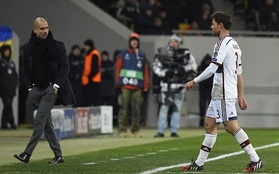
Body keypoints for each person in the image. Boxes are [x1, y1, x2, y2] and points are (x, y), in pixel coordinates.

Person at [182, 11, 263, 172]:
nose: (211, 26)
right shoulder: (235, 45)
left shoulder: (222, 44)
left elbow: (212, 69)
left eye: (213, 24)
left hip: (223, 92)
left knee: (230, 126)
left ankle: (256, 160)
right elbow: (239, 73)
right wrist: (240, 95)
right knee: (210, 124)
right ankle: (199, 163)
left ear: (221, 25)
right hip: (222, 92)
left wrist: (194, 81)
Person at [14, 17, 75, 164]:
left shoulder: (58, 46)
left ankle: (27, 154)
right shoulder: (28, 48)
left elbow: (65, 67)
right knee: (47, 125)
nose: (45, 31)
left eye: (46, 27)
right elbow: (26, 69)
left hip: (50, 89)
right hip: (36, 89)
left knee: (39, 121)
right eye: (41, 28)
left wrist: (56, 86)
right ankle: (58, 155)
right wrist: (29, 87)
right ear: (34, 30)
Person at [153, 34, 197, 138]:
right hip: (166, 85)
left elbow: (193, 65)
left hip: (179, 85)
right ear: (169, 42)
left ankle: (174, 130)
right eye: (172, 41)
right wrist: (165, 73)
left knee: (177, 108)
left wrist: (183, 69)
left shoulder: (185, 53)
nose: (174, 43)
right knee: (164, 108)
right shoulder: (162, 52)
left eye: (176, 42)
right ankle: (161, 131)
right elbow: (155, 67)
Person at [115, 33, 149, 137]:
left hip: (138, 86)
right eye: (132, 40)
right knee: (124, 108)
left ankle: (135, 130)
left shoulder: (142, 55)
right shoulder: (123, 54)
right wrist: (118, 83)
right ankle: (122, 130)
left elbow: (145, 71)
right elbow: (118, 69)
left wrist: (146, 85)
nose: (134, 42)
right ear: (129, 42)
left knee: (137, 109)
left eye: (136, 40)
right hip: (125, 86)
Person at [0, 45, 18, 129]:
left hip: (11, 90)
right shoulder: (1, 63)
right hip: (3, 90)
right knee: (8, 105)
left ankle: (4, 124)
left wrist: (15, 86)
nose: (7, 52)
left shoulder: (12, 63)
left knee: (7, 107)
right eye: (5, 51)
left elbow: (15, 76)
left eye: (8, 51)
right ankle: (12, 122)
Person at [80, 39, 102, 107]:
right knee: (87, 99)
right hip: (88, 80)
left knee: (93, 99)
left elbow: (95, 68)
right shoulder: (88, 54)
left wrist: (89, 77)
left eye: (85, 46)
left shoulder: (94, 54)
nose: (84, 48)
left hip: (93, 80)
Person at [197, 54, 213, 127]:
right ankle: (201, 121)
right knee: (202, 105)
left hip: (210, 88)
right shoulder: (201, 68)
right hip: (203, 88)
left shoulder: (212, 68)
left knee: (211, 105)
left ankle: (211, 121)